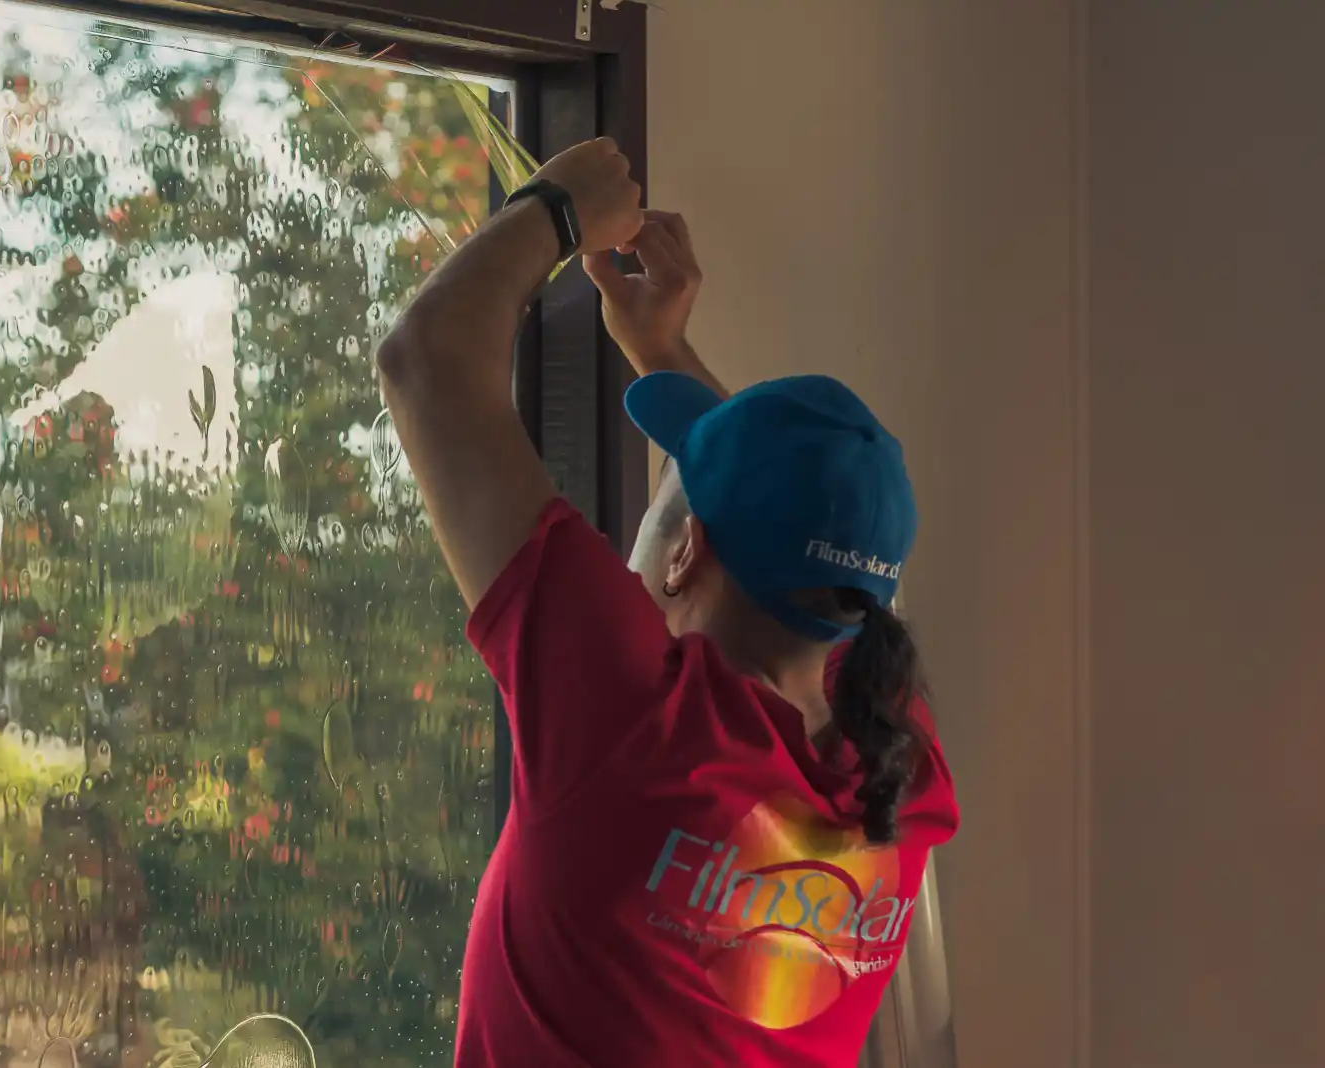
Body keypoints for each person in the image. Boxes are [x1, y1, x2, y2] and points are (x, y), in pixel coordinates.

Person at [374, 138, 960, 1067]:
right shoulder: (899, 761)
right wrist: (660, 348)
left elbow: (426, 360)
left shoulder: (634, 719)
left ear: (686, 550)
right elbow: (803, 534)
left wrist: (559, 208)